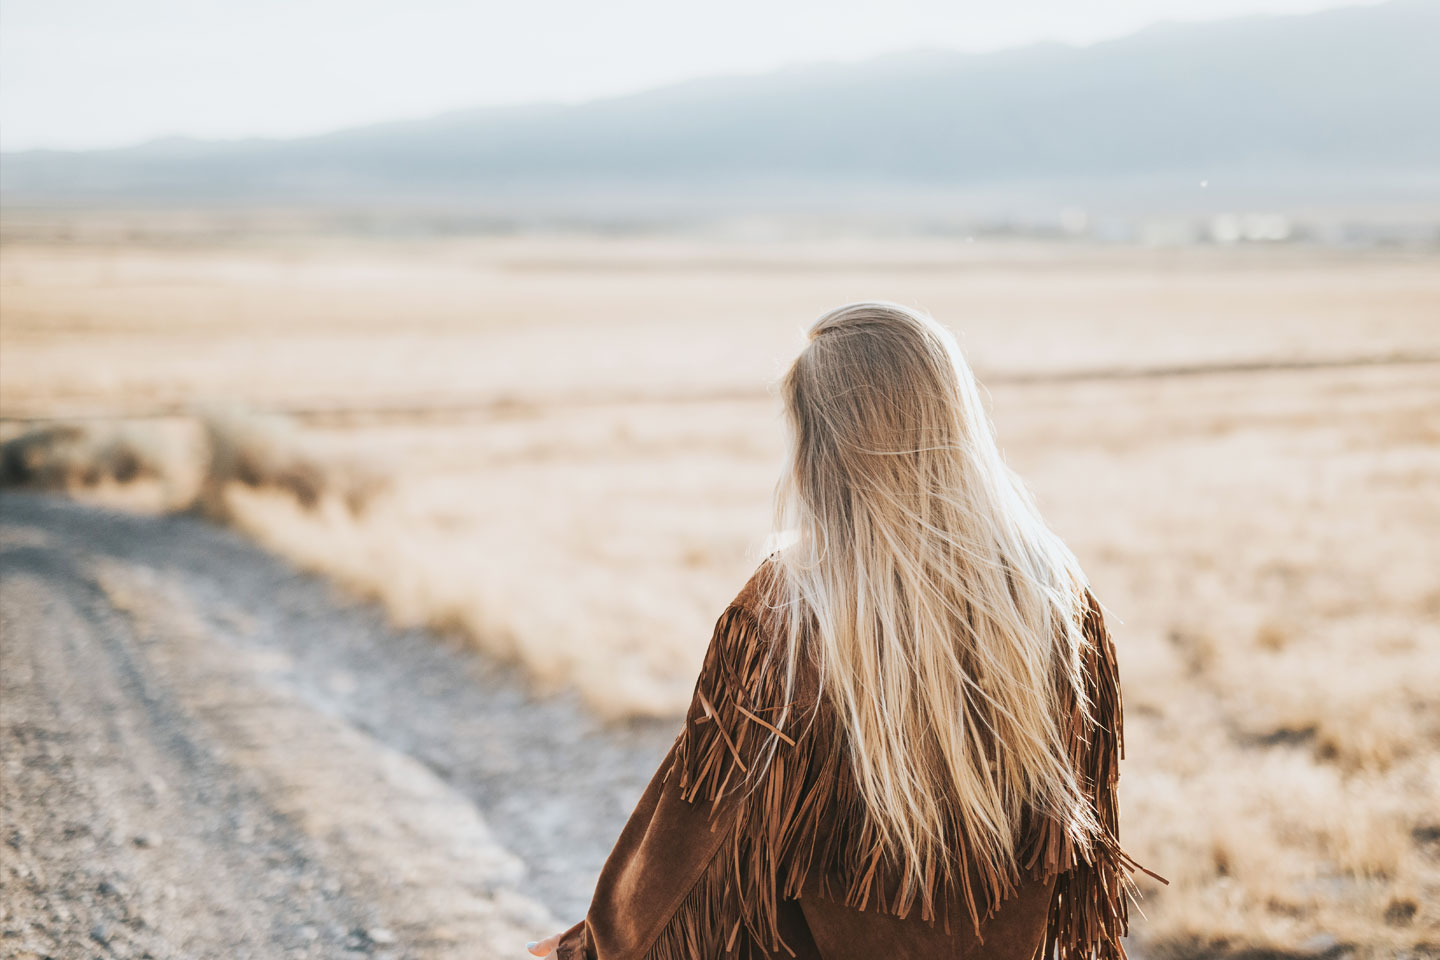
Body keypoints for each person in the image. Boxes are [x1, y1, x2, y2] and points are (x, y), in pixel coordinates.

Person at [526, 301, 1163, 959]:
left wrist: (595, 946)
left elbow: (694, 843)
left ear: (820, 445)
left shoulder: (787, 610)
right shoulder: (1059, 598)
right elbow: (1080, 840)